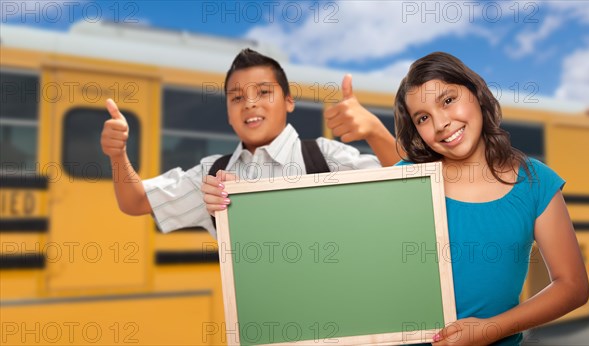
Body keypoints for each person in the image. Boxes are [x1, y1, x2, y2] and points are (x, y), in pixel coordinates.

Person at [392, 52, 588, 345]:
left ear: (476, 92)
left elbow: (572, 286)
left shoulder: (535, 181)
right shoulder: (405, 180)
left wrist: (490, 329)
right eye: (423, 118)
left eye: (448, 100)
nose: (441, 122)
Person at [101, 48, 401, 238]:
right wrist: (118, 155)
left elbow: (409, 186)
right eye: (236, 98)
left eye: (263, 92)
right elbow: (135, 201)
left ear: (289, 101)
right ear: (229, 115)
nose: (249, 104)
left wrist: (375, 131)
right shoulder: (212, 175)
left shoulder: (325, 157)